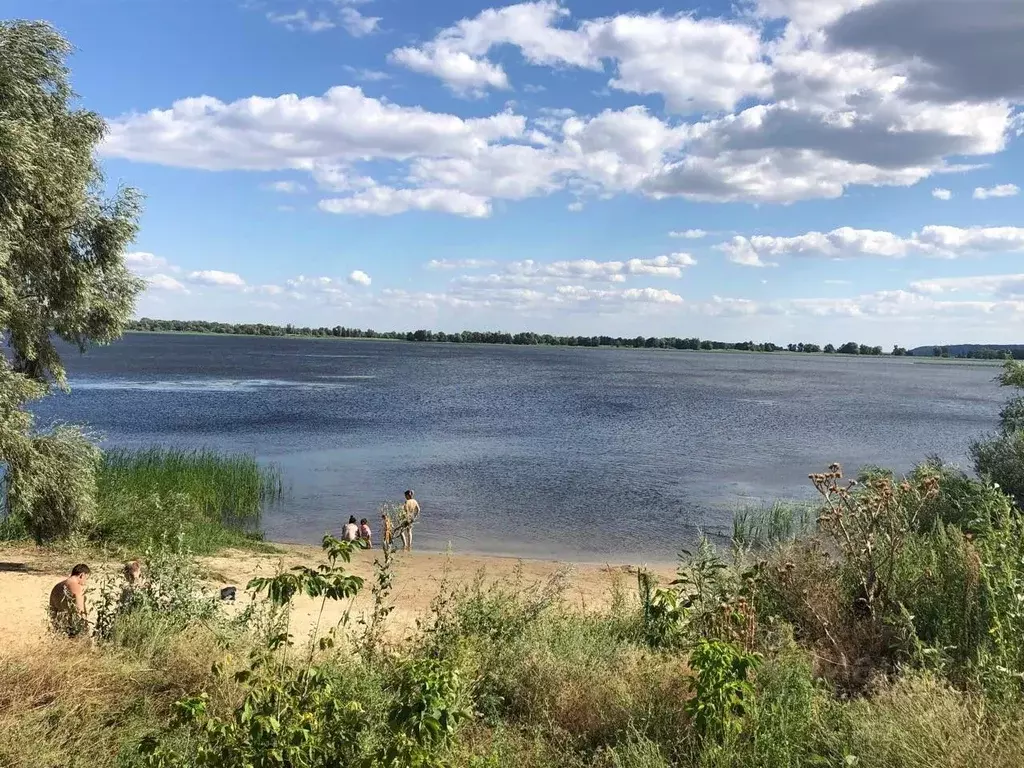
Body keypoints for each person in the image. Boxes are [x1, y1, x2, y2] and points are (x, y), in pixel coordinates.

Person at [49, 563, 90, 637]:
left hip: (60, 628)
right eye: (86, 578)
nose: (85, 582)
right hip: (73, 628)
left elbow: (52, 610)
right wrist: (85, 628)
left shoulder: (56, 587)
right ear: (82, 575)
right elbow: (80, 610)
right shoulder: (77, 588)